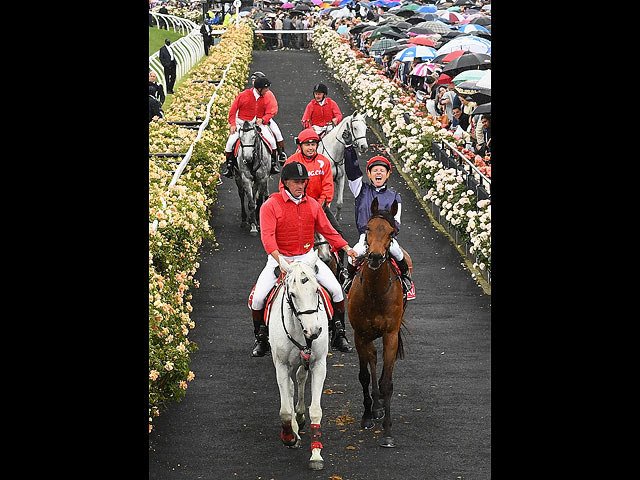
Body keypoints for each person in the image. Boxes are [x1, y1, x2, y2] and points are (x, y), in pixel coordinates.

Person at [248, 161, 358, 356]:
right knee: (258, 299)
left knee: (336, 291)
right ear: (285, 183)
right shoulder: (271, 205)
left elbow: (327, 230)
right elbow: (267, 237)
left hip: (307, 258)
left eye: (303, 182)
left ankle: (339, 333)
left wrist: (346, 247)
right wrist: (281, 261)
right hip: (280, 258)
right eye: (295, 182)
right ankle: (261, 337)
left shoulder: (313, 204)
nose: (300, 186)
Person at [342, 155, 413, 295]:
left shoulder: (395, 196)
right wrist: (349, 148)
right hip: (366, 236)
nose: (378, 173)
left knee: (398, 253)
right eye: (375, 170)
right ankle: (349, 278)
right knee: (354, 255)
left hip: (387, 238)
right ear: (369, 174)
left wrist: (388, 232)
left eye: (382, 170)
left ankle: (406, 279)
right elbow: (352, 171)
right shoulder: (360, 190)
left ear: (387, 174)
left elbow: (397, 221)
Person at [221, 76, 281, 178]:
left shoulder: (266, 96)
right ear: (259, 89)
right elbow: (233, 110)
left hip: (258, 124)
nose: (268, 91)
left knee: (272, 141)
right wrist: (233, 124)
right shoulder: (243, 95)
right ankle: (229, 166)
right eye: (266, 89)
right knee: (230, 143)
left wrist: (263, 119)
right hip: (242, 124)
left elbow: (271, 111)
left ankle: (273, 164)